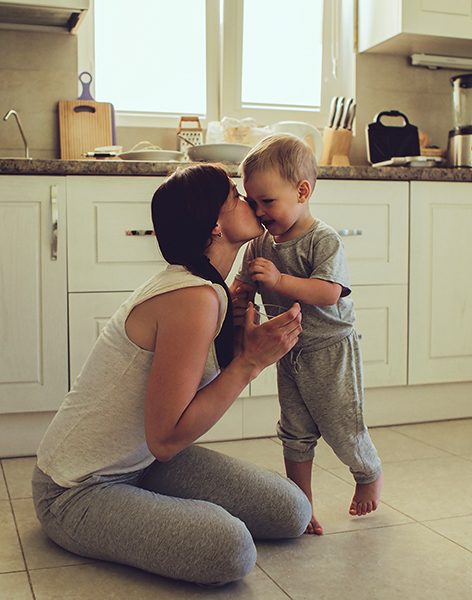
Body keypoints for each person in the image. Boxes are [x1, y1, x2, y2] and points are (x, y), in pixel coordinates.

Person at [32, 163, 311, 586]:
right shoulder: (191, 297)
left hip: (143, 463)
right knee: (231, 550)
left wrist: (239, 344)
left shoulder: (207, 288)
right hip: (75, 488)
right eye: (235, 195)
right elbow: (166, 438)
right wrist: (249, 362)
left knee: (292, 511)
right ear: (215, 224)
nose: (248, 198)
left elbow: (167, 433)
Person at [231, 133, 383, 536]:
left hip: (331, 350)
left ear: (302, 191)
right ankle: (301, 505)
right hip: (290, 351)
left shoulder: (323, 240)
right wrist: (239, 294)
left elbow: (329, 293)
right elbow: (245, 286)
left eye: (268, 201)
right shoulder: (259, 244)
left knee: (341, 426)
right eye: (253, 202)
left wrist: (280, 279)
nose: (259, 212)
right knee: (294, 431)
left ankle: (367, 471)